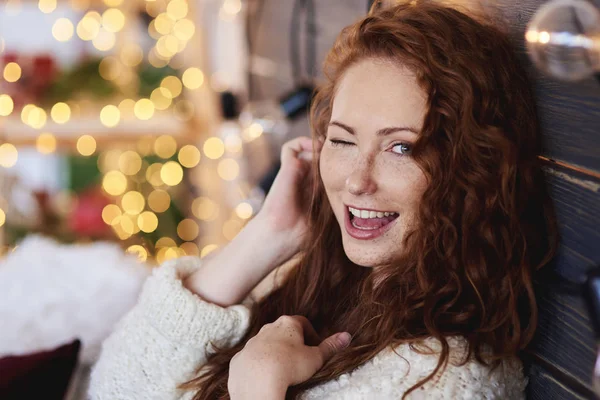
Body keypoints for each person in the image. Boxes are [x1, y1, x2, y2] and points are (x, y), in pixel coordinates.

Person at [89, 2, 557, 399]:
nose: (356, 182)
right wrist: (265, 239)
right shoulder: (319, 282)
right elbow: (116, 389)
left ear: (472, 166)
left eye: (401, 147)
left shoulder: (447, 378)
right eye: (343, 140)